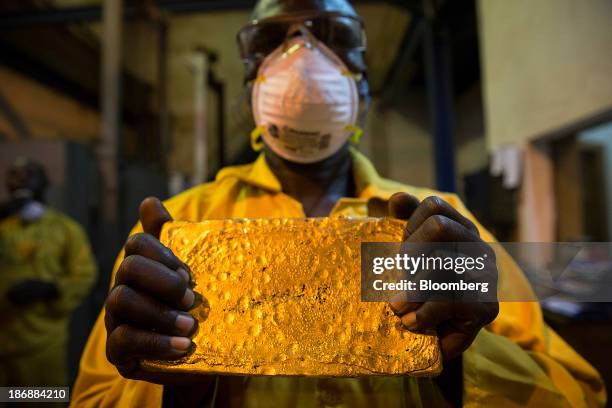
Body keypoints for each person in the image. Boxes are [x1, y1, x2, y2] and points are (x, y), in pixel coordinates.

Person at [72, 0, 606, 406]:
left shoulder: (437, 225)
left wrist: (464, 361)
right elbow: (90, 399)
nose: (302, 55)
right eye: (271, 39)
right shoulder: (183, 225)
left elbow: (580, 393)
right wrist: (170, 386)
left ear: (363, 88)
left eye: (333, 35)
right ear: (248, 89)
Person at [0, 157, 97, 388]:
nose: (21, 180)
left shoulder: (65, 229)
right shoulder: (3, 224)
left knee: (44, 397)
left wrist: (52, 289)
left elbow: (85, 274)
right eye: (15, 175)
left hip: (43, 343)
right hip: (3, 335)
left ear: (44, 183)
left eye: (29, 174)